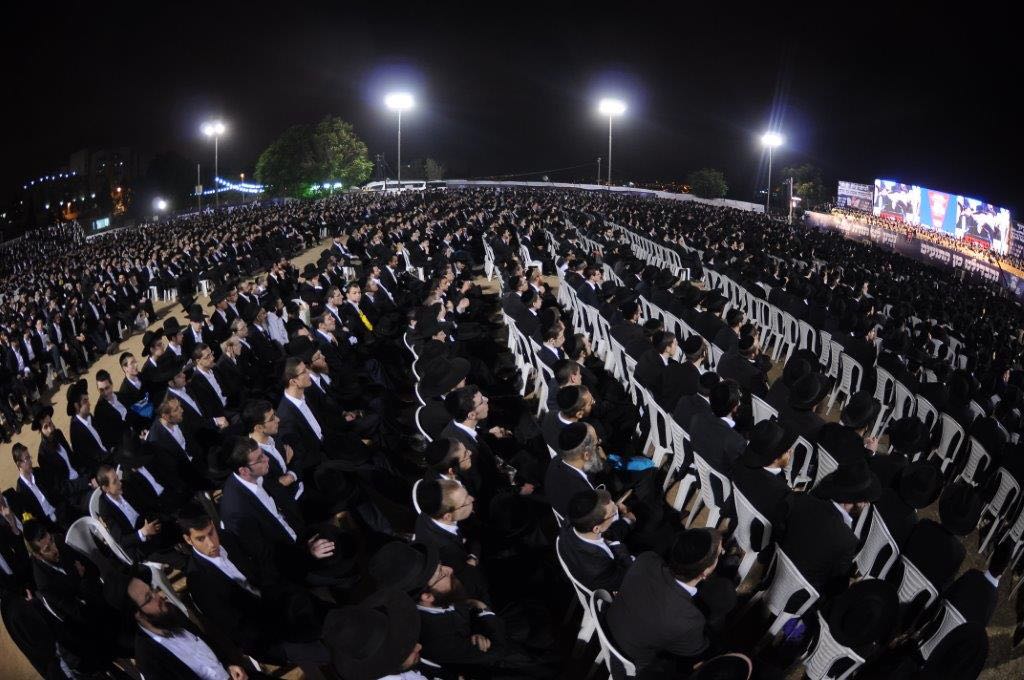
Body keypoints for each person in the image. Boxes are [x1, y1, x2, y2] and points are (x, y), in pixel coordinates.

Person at [606, 528, 737, 678]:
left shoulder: (646, 559)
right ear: (706, 572)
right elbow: (696, 651)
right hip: (637, 662)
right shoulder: (690, 619)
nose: (722, 553)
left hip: (611, 625)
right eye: (719, 554)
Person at [779, 459, 881, 597]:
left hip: (775, 572)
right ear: (855, 500)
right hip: (800, 599)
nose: (866, 504)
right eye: (864, 499)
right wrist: (851, 583)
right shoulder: (847, 541)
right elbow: (833, 588)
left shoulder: (800, 499)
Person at [127, 574, 258, 680]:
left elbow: (206, 641)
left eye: (152, 590)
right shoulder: (148, 658)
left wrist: (229, 665)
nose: (159, 597)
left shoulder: (171, 612)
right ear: (138, 615)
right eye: (149, 598)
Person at [556, 489, 634, 592]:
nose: (617, 509)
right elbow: (628, 577)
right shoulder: (599, 569)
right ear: (597, 528)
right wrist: (627, 521)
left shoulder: (572, 520)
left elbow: (606, 531)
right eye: (613, 513)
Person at [689, 379, 746, 475]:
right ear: (735, 407)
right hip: (721, 486)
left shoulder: (696, 418)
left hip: (701, 474)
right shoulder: (736, 441)